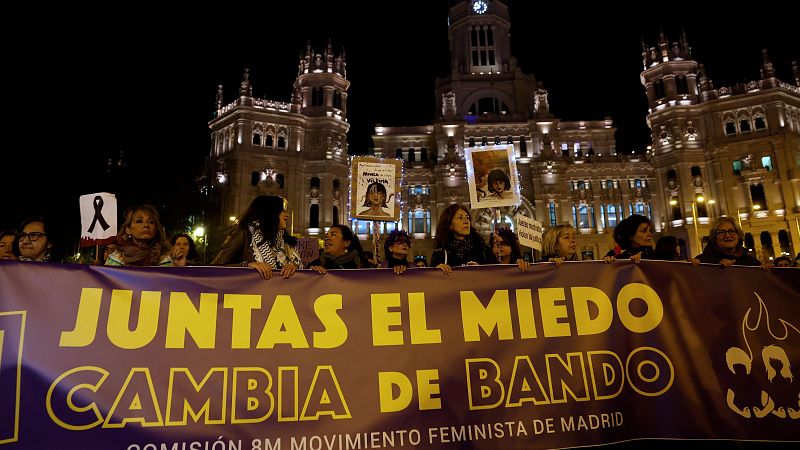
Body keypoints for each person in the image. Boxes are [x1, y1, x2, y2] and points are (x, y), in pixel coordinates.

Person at [212, 195, 301, 279]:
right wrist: (248, 265)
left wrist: (293, 267)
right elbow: (216, 266)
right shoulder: (244, 232)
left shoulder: (285, 240)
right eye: (283, 211)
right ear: (270, 212)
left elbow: (300, 267)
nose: (287, 215)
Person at [430, 204, 490, 275]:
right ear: (449, 224)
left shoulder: (483, 249)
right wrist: (437, 271)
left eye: (467, 218)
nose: (466, 221)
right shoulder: (441, 253)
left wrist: (481, 270)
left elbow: (494, 275)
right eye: (460, 218)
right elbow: (430, 281)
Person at [106, 205, 173, 267]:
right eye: (139, 221)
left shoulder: (164, 258)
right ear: (128, 229)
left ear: (156, 229)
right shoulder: (117, 258)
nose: (146, 225)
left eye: (150, 222)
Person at [691, 216, 761, 267]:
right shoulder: (702, 262)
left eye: (732, 231)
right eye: (721, 232)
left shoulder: (750, 262)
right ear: (714, 237)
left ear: (739, 235)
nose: (727, 235)